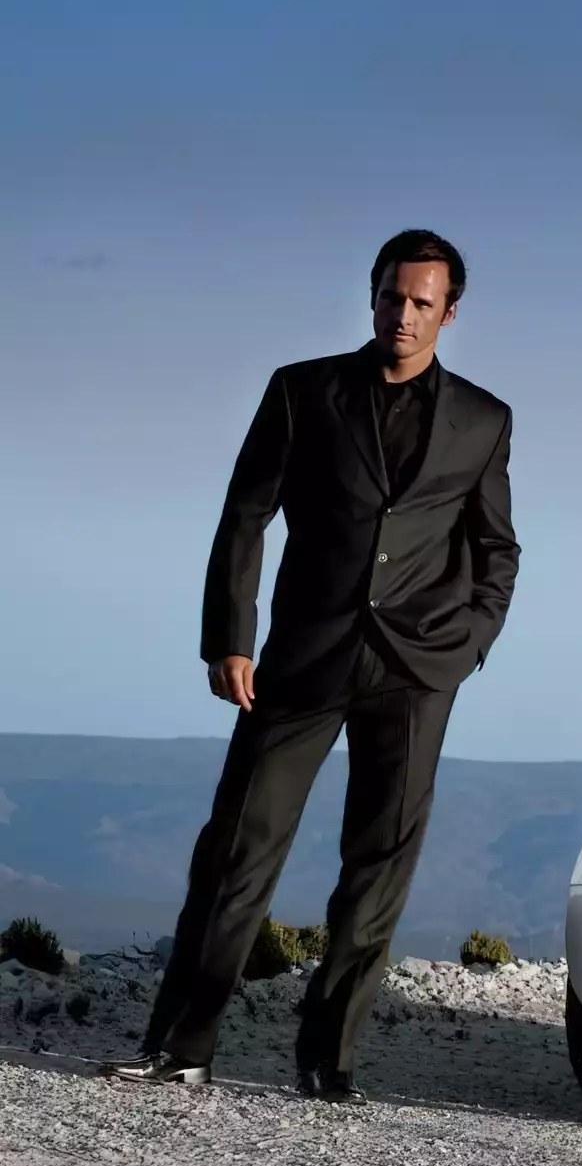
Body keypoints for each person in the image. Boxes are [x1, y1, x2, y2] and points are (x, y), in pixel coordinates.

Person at [101, 229, 520, 1104]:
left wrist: (470, 643)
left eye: (421, 302)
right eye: (391, 296)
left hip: (418, 668)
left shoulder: (484, 419)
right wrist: (231, 637)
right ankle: (182, 1044)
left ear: (449, 312)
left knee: (378, 865)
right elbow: (245, 515)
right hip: (301, 656)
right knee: (237, 850)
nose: (402, 314)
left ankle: (330, 1061)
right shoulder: (302, 390)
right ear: (371, 295)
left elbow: (497, 547)